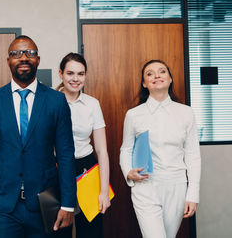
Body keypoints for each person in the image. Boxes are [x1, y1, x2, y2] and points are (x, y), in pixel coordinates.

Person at [0, 35, 76, 238]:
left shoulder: (56, 101)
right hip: (3, 206)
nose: (23, 57)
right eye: (16, 53)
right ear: (8, 61)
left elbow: (65, 154)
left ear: (38, 59)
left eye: (29, 53)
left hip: (45, 203)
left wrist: (68, 204)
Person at [119, 60, 201, 238]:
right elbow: (125, 149)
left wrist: (193, 194)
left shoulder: (186, 113)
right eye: (150, 74)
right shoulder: (133, 115)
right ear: (144, 83)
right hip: (145, 187)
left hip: (177, 186)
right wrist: (128, 172)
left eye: (162, 71)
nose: (156, 75)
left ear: (170, 79)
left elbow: (193, 155)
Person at [57, 53, 111, 238]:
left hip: (86, 168)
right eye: (70, 73)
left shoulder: (92, 104)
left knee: (90, 231)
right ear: (61, 74)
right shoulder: (49, 101)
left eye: (80, 74)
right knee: (58, 228)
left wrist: (103, 191)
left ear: (85, 76)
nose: (75, 79)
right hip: (57, 167)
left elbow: (102, 150)